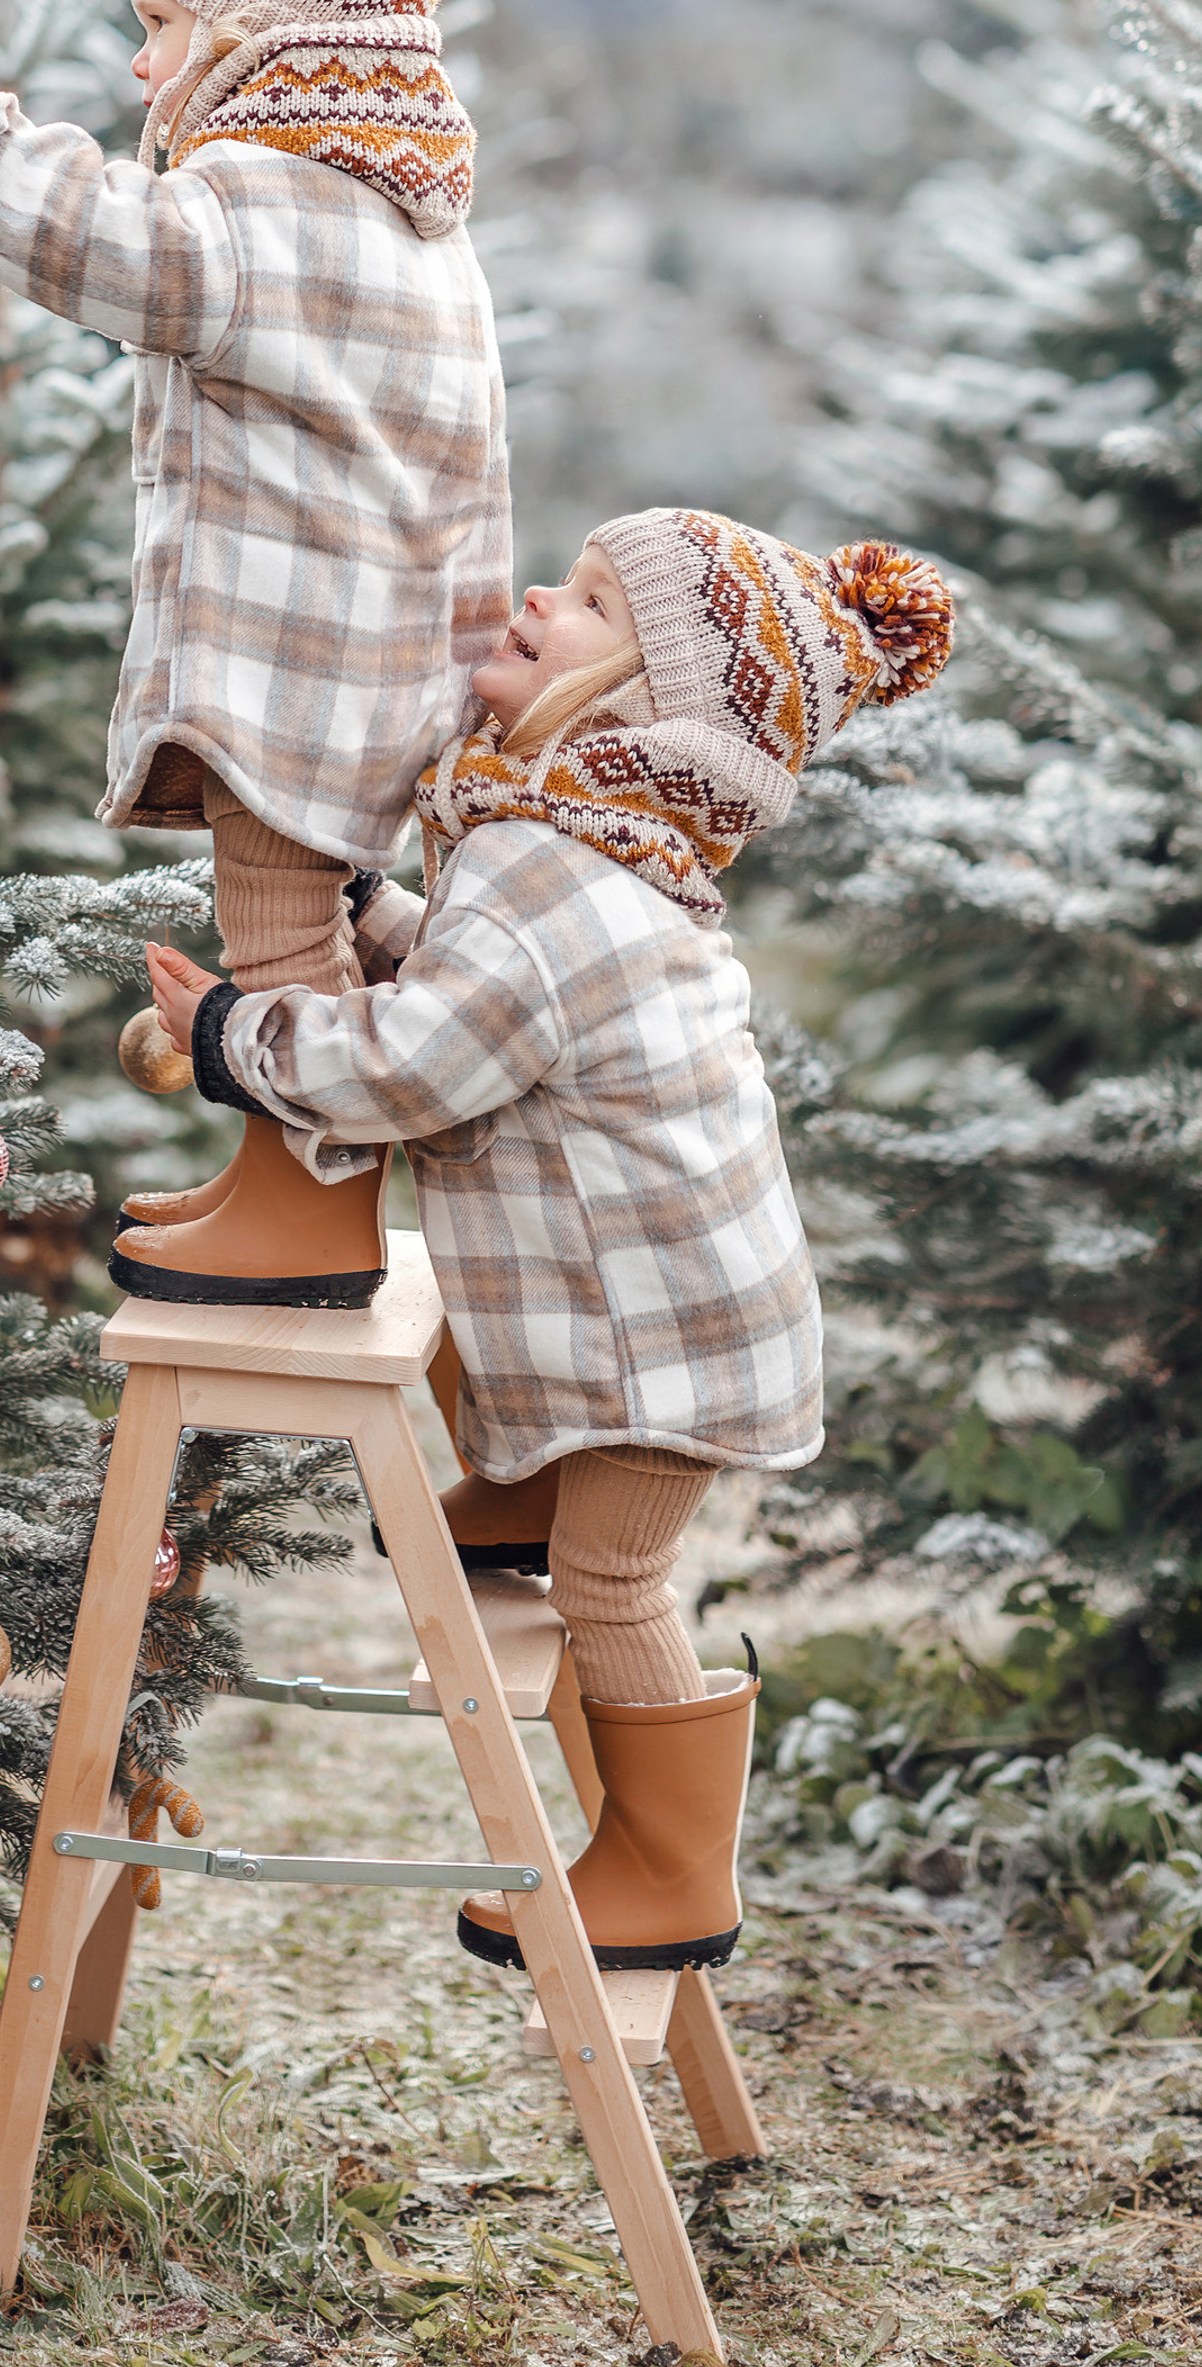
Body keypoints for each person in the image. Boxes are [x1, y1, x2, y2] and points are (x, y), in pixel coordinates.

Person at [142, 508, 956, 1972]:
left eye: (585, 603)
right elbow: (500, 992)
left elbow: (421, 1065)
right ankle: (519, 1500)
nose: (533, 598)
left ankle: (669, 1870)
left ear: (650, 704)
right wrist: (377, 912)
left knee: (616, 1590)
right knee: (494, 1358)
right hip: (681, 1310)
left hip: (669, 1350)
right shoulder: (579, 854)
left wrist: (232, 1032)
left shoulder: (546, 865)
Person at [0, 0, 509, 1312]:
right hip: (383, 653)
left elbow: (123, 254)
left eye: (163, 28)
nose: (143, 68)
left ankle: (311, 1208)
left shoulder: (274, 197)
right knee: (321, 926)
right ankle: (292, 1178)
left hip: (301, 668)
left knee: (277, 937)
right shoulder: (405, 216)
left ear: (268, 31)